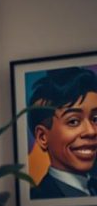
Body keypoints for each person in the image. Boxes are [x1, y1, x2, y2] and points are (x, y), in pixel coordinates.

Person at [27, 66, 97, 199]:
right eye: (73, 121)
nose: (91, 131)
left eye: (95, 119)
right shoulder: (40, 197)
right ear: (42, 137)